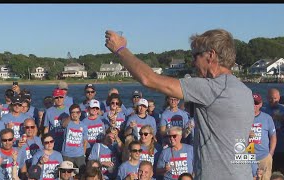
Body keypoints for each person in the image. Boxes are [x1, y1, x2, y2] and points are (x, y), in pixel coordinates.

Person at [105, 28, 254, 179]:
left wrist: (120, 49)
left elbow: (149, 79)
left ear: (211, 55)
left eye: (195, 55)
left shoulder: (212, 88)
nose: (193, 62)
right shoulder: (245, 92)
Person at [249, 93, 277, 180]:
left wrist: (270, 154)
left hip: (264, 157)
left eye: (256, 103)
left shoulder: (267, 118)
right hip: (248, 158)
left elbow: (273, 136)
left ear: (261, 104)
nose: (254, 105)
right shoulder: (243, 117)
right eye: (251, 102)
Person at [262, 88, 284, 174]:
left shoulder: (283, 109)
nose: (273, 100)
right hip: (267, 148)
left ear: (279, 98)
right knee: (268, 173)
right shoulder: (263, 109)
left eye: (275, 98)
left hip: (281, 147)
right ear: (267, 98)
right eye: (271, 98)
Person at [61, 104, 88, 176]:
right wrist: (70, 116)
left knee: (82, 174)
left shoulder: (84, 126)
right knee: (67, 175)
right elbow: (63, 124)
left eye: (77, 112)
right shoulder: (68, 123)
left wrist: (83, 154)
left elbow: (85, 142)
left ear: (80, 113)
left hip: (79, 155)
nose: (75, 114)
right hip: (67, 155)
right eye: (73, 112)